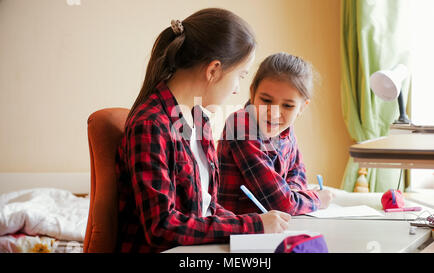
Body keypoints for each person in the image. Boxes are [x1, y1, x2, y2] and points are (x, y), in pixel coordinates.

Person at [115, 8, 290, 253]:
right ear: (213, 70)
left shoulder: (199, 120)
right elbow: (161, 227)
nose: (238, 89)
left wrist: (252, 227)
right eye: (240, 75)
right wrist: (252, 225)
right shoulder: (152, 125)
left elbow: (206, 207)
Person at [217, 52, 334, 215]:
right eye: (266, 100)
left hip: (273, 226)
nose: (274, 114)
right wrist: (317, 199)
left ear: (302, 107)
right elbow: (282, 204)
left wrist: (293, 195)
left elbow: (297, 173)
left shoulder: (285, 129)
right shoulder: (241, 126)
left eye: (287, 106)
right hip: (240, 230)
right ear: (252, 93)